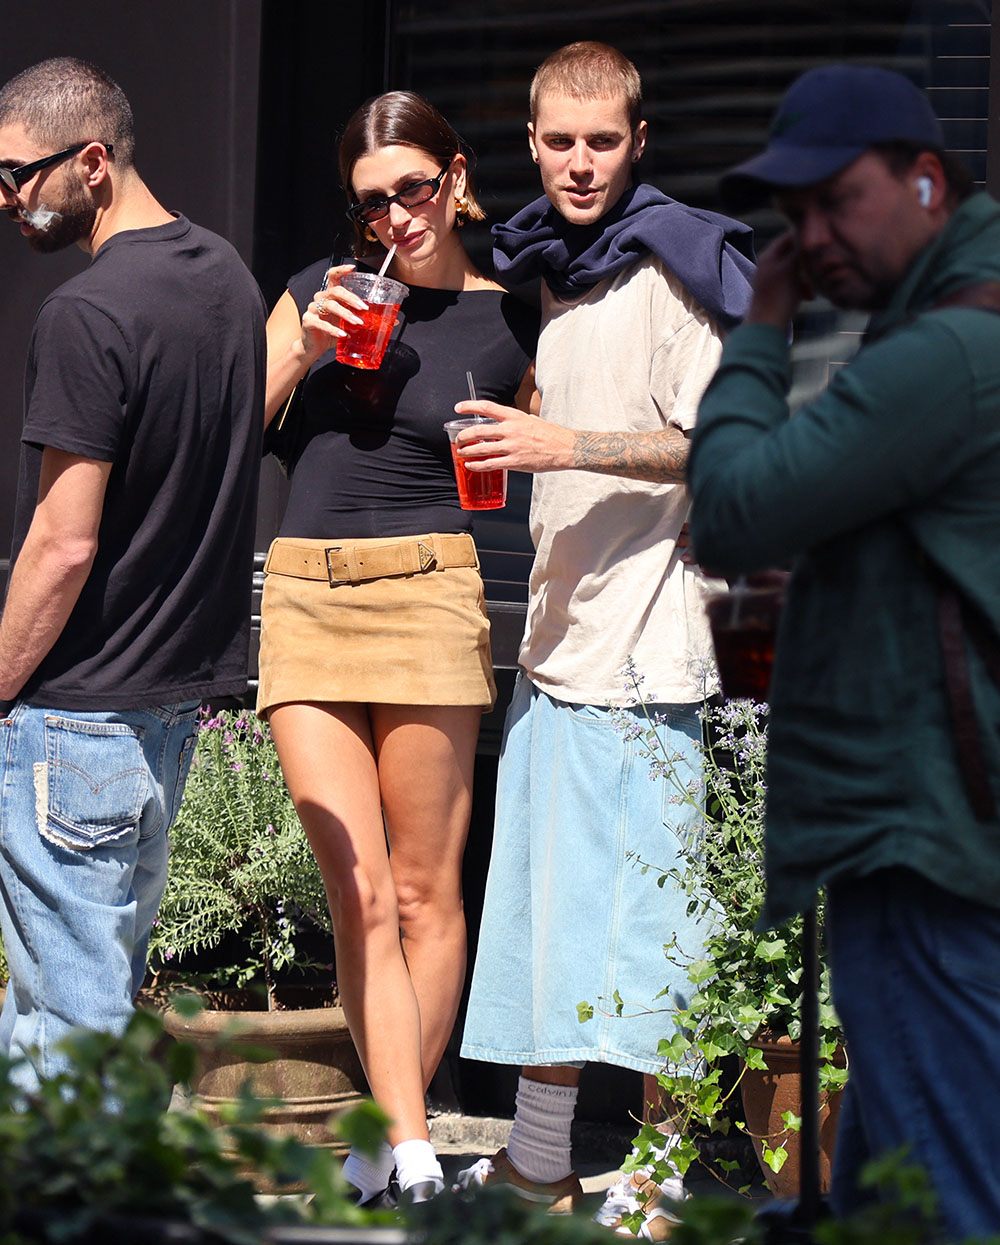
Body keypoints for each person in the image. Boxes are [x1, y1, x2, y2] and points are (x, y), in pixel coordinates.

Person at [688, 64, 1000, 1241]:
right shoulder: (947, 326)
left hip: (921, 843)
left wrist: (759, 335)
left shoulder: (941, 359)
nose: (809, 236)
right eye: (791, 214)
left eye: (837, 200)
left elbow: (727, 509)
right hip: (932, 834)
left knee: (949, 1208)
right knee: (878, 1194)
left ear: (926, 179)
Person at [450, 42, 754, 1235]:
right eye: (560, 141)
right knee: (552, 917)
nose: (580, 164)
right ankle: (537, 1163)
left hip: (641, 651)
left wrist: (562, 447)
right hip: (557, 638)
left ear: (639, 144)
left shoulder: (674, 267)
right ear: (531, 143)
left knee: (651, 927)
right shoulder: (558, 269)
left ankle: (668, 1171)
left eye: (603, 142)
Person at [258, 90, 537, 1204]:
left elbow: (546, 444)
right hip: (308, 593)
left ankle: (381, 1143)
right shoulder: (311, 294)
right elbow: (225, 428)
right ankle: (413, 1149)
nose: (395, 218)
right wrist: (297, 354)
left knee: (424, 893)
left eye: (413, 190)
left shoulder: (512, 314)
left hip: (431, 590)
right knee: (357, 889)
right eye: (372, 203)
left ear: (456, 177)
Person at [0, 58, 265, 1084]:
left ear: (94, 162)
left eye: (19, 175)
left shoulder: (86, 312)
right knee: (69, 1003)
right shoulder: (228, 278)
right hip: (164, 718)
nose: (10, 199)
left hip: (73, 716)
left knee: (70, 1029)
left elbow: (63, 544)